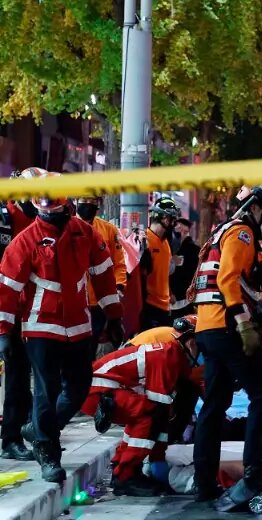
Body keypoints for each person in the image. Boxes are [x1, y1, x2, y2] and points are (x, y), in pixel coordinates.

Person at [0, 171, 124, 482]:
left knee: (80, 386)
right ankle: (48, 454)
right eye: (45, 208)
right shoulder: (24, 241)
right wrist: (3, 332)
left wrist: (114, 315)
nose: (49, 213)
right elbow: (7, 289)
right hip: (41, 326)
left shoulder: (85, 234)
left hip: (79, 325)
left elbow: (103, 274)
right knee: (46, 389)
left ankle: (40, 430)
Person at [192, 184, 262, 509]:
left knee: (214, 404)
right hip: (227, 326)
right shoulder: (243, 233)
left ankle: (204, 483)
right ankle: (254, 470)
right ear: (255, 207)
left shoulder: (224, 231)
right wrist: (244, 324)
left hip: (208, 327)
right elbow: (227, 279)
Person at [80, 315, 199, 496]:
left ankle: (123, 468)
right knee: (148, 415)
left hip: (99, 388)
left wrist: (158, 456)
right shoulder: (168, 356)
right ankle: (125, 476)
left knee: (147, 414)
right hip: (98, 392)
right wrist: (157, 457)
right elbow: (159, 410)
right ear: (190, 343)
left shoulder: (174, 355)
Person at [0, 168, 42, 461]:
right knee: (17, 376)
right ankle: (12, 438)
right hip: (7, 310)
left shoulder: (41, 221)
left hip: (27, 313)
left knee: (20, 376)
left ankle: (14, 436)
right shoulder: (5, 218)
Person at [75, 196, 128, 358]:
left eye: (92, 201)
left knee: (95, 348)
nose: (88, 204)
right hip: (75, 302)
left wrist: (119, 286)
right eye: (84, 200)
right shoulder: (66, 228)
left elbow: (119, 263)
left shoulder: (108, 230)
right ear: (76, 201)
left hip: (100, 303)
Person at [140, 196, 180, 329]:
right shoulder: (145, 241)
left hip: (165, 306)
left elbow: (164, 273)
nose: (173, 223)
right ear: (163, 217)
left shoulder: (166, 243)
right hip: (149, 306)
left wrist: (170, 293)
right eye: (171, 218)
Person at [169, 218, 200, 318]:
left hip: (186, 300)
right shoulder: (165, 247)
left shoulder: (194, 251)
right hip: (166, 299)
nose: (181, 234)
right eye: (179, 230)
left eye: (185, 232)